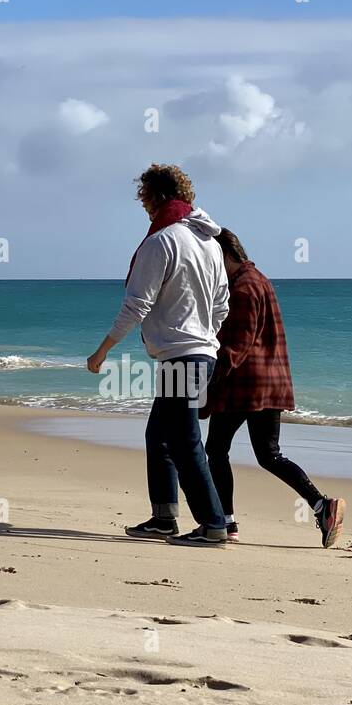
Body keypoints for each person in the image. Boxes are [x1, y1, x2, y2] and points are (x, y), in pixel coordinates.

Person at [86, 164, 230, 546]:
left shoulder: (161, 242)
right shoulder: (210, 244)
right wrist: (205, 336)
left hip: (182, 355)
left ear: (158, 197)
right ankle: (164, 518)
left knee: (184, 440)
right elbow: (222, 305)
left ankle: (214, 524)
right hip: (200, 353)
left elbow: (136, 304)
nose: (145, 209)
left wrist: (103, 349)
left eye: (146, 200)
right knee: (160, 434)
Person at [202, 228, 346, 548]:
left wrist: (208, 386)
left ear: (224, 255)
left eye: (211, 260)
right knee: (269, 455)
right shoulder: (260, 279)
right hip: (270, 382)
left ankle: (225, 522)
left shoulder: (243, 288)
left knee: (216, 449)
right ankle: (322, 506)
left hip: (245, 385)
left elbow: (236, 347)